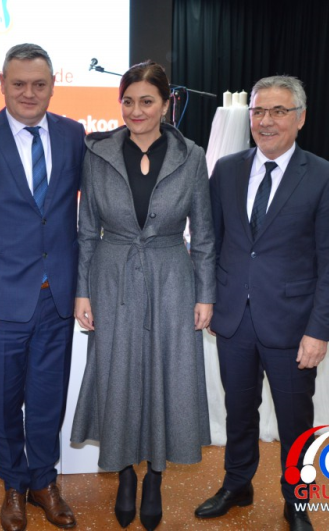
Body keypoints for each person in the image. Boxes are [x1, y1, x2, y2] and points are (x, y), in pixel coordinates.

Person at [195, 76, 329, 531]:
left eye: (279, 111)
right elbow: (212, 243)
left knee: (295, 420)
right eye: (259, 111)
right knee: (238, 412)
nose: (266, 121)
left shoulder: (324, 176)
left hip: (294, 326)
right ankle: (237, 484)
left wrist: (320, 330)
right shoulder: (226, 169)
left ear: (300, 118)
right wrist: (210, 300)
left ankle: (296, 501)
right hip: (234, 321)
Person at [71, 60, 216, 531]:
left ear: (166, 103)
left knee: (167, 374)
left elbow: (204, 233)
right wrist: (82, 292)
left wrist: (205, 294)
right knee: (117, 374)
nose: (136, 110)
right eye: (128, 101)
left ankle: (155, 475)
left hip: (172, 276)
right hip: (111, 276)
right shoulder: (97, 153)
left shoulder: (191, 155)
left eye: (147, 101)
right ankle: (125, 474)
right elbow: (86, 230)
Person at [0, 43, 85, 531]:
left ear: (52, 86)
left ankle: (44, 482)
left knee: (48, 399)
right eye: (19, 83)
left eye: (39, 84)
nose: (29, 93)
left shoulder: (72, 133)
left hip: (57, 296)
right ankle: (12, 484)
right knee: (5, 402)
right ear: (2, 84)